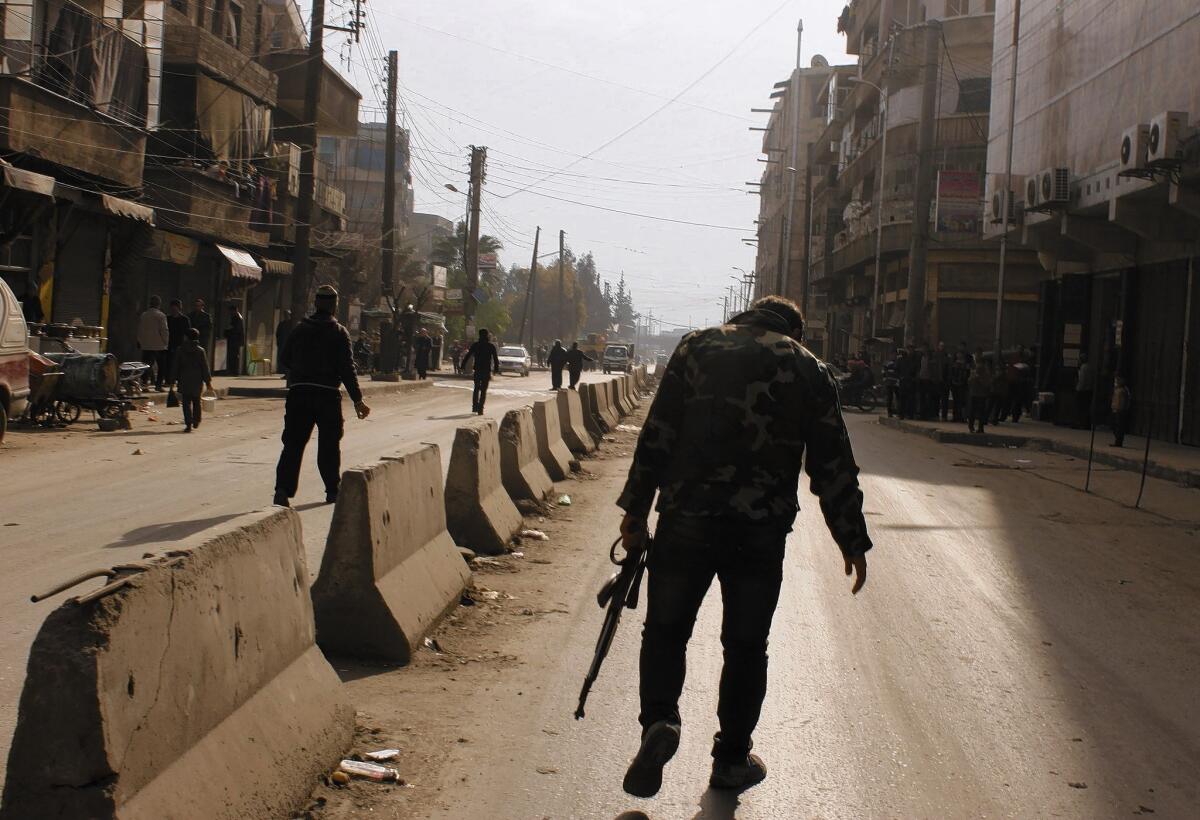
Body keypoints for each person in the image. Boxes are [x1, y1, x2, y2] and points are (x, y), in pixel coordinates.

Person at [615, 296, 872, 798]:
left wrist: (634, 510)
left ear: (744, 316)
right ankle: (732, 759)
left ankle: (660, 724)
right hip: (759, 531)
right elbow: (832, 461)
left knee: (666, 631)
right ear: (795, 329)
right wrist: (851, 538)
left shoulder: (695, 348)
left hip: (686, 518)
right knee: (746, 646)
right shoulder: (807, 367)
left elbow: (657, 435)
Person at [273, 285, 370, 507]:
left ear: (316, 304)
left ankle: (282, 489)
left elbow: (285, 358)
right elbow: (347, 369)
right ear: (334, 305)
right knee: (328, 445)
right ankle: (332, 490)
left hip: (299, 393)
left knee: (293, 444)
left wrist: (301, 370)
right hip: (327, 396)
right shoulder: (339, 333)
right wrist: (358, 400)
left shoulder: (299, 329)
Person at [171, 328, 212, 432]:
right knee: (196, 401)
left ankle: (188, 423)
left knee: (186, 403)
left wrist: (172, 380)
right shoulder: (200, 350)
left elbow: (176, 366)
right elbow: (204, 367)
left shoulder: (180, 350)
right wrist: (208, 382)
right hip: (197, 380)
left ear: (186, 337)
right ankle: (196, 420)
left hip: (184, 379)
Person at [460, 328, 501, 414]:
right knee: (483, 390)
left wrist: (462, 365)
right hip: (486, 370)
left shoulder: (476, 345)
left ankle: (475, 407)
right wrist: (496, 369)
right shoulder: (491, 346)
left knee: (476, 388)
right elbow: (495, 358)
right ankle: (480, 408)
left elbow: (468, 355)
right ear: (487, 335)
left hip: (477, 369)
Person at [137, 295, 170, 390]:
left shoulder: (144, 315)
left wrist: (140, 341)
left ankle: (144, 385)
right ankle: (158, 385)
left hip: (147, 345)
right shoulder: (161, 315)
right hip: (159, 345)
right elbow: (164, 330)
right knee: (161, 366)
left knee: (146, 366)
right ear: (159, 304)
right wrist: (166, 342)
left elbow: (140, 329)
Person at [165, 299, 191, 384]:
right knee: (169, 362)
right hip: (169, 343)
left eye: (176, 307)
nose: (174, 309)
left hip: (180, 344)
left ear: (179, 308)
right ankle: (169, 379)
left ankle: (179, 379)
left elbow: (188, 332)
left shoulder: (184, 319)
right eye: (172, 307)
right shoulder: (168, 318)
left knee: (180, 362)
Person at [967, 354, 992, 434]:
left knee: (979, 412)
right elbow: (969, 382)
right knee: (974, 411)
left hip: (981, 394)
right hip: (975, 393)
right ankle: (972, 427)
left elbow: (987, 384)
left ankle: (979, 428)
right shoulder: (975, 372)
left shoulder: (985, 373)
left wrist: (979, 379)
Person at [949, 351, 970, 423]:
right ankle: (955, 416)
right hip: (955, 385)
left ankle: (961, 417)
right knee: (956, 401)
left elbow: (966, 374)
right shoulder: (954, 364)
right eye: (958, 354)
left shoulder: (965, 364)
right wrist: (953, 381)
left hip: (962, 385)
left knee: (961, 402)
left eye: (960, 354)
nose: (959, 355)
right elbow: (952, 373)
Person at [1111, 375, 1132, 447]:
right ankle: (1117, 440)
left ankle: (1118, 442)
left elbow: (1124, 401)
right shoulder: (1117, 390)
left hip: (1120, 410)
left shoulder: (1123, 390)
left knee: (1119, 427)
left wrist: (1122, 409)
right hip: (1116, 409)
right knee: (1115, 426)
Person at [225, 304, 245, 376]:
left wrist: (228, 331)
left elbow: (235, 329)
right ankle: (233, 371)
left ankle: (234, 371)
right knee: (234, 356)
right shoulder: (238, 317)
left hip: (235, 340)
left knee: (234, 356)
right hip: (236, 339)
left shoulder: (237, 317)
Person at [1075, 354, 1095, 429]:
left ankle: (1081, 423)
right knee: (1086, 408)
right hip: (1089, 390)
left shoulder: (1083, 368)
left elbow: (1082, 380)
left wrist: (1078, 389)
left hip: (1083, 391)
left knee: (1081, 408)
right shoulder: (1090, 367)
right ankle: (1086, 424)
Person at [275, 310, 294, 375]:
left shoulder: (291, 324)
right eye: (285, 315)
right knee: (281, 358)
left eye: (287, 314)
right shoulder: (282, 324)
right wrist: (278, 341)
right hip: (282, 343)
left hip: (287, 344)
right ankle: (282, 371)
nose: (286, 316)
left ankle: (286, 373)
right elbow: (277, 333)